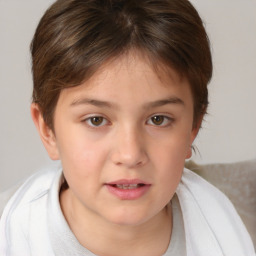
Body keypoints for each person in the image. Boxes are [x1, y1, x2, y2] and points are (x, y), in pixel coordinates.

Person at [0, 0, 254, 255]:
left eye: (158, 119)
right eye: (96, 120)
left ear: (193, 127)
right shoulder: (9, 230)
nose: (130, 155)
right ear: (48, 130)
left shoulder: (242, 219)